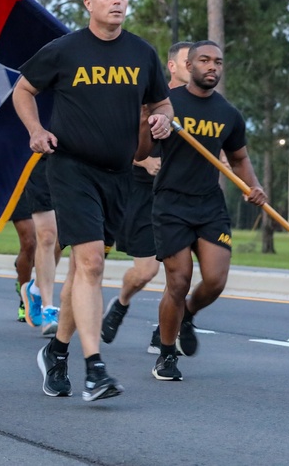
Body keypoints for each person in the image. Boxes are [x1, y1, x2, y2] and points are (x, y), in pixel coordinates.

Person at [13, 0, 173, 402]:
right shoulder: (64, 50)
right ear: (89, 4)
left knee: (83, 272)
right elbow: (22, 90)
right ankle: (95, 369)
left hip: (117, 175)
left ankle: (57, 351)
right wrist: (35, 130)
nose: (117, 0)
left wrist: (163, 119)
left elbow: (161, 100)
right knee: (91, 264)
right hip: (70, 168)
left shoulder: (142, 53)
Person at [150, 41, 267, 381]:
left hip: (209, 204)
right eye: (205, 60)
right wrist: (153, 123)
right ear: (189, 64)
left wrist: (252, 187)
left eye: (218, 61)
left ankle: (186, 312)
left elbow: (240, 158)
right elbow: (142, 143)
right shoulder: (168, 104)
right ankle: (167, 354)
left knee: (215, 280)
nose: (213, 66)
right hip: (171, 202)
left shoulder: (228, 114)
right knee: (179, 279)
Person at [102, 41, 192, 350]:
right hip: (142, 192)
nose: (197, 67)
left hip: (181, 198)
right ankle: (122, 302)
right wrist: (142, 160)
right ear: (172, 66)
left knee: (179, 274)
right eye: (188, 61)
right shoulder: (148, 99)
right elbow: (113, 144)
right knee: (145, 271)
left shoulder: (202, 104)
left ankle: (163, 333)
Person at [18, 159, 63, 337]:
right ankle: (48, 311)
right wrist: (36, 130)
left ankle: (35, 289)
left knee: (61, 240)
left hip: (74, 163)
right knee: (47, 235)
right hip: (41, 159)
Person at [11, 191, 37, 324]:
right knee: (29, 243)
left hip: (47, 181)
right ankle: (25, 301)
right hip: (21, 186)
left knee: (48, 243)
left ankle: (23, 272)